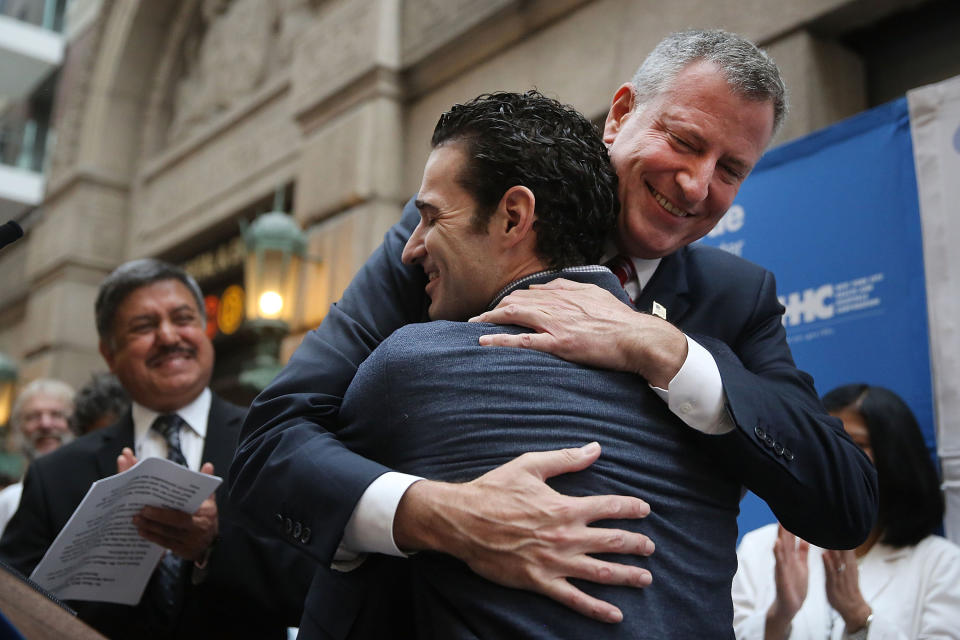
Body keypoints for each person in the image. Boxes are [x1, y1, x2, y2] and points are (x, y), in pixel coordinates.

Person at [230, 29, 878, 625]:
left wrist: (672, 354)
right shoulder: (450, 231)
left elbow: (845, 500)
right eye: (683, 141)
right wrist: (446, 516)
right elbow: (275, 440)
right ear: (620, 114)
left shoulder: (736, 299)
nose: (695, 182)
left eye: (731, 169)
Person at [306, 89, 777, 638]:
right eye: (683, 142)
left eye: (433, 217)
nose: (413, 248)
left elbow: (286, 473)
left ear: (513, 216)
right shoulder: (716, 402)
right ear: (619, 115)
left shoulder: (413, 366)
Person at [0, 259, 314, 640]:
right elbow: (13, 606)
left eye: (182, 319)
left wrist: (213, 547)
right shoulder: (57, 474)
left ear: (203, 330)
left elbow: (316, 586)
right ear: (108, 353)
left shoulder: (273, 440)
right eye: (144, 326)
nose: (168, 337)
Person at [732, 384, 960, 639]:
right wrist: (779, 616)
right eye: (828, 445)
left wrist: (859, 616)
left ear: (896, 457)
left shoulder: (942, 564)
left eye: (858, 445)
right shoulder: (762, 548)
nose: (840, 460)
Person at [0, 378, 75, 535]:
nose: (45, 424)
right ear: (19, 428)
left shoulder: (92, 489)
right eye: (33, 416)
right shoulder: (8, 500)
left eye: (57, 415)